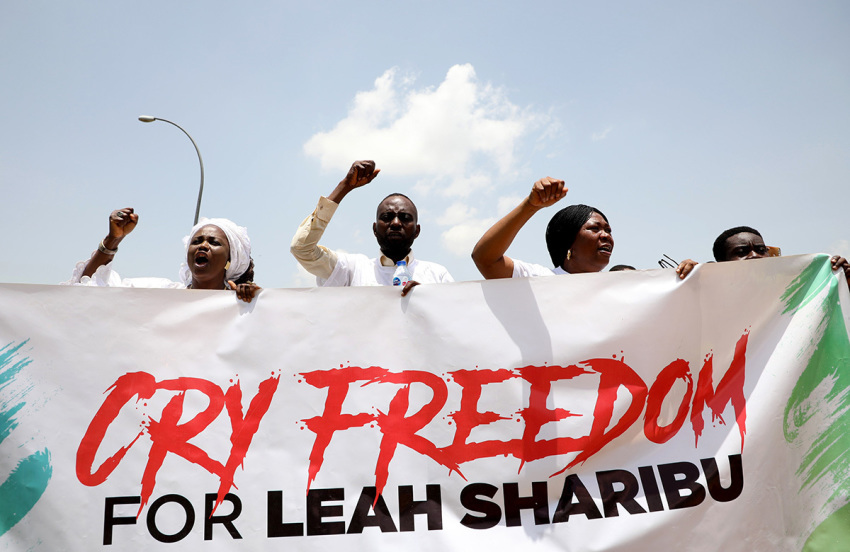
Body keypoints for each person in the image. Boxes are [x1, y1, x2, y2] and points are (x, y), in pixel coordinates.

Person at [290, 160, 453, 295]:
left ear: (417, 231)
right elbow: (302, 249)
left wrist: (427, 301)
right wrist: (345, 186)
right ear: (374, 229)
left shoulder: (437, 275)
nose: (396, 223)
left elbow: (457, 319)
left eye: (405, 218)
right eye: (387, 217)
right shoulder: (352, 270)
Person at [65, 207, 260, 302]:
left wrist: (252, 303)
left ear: (230, 260)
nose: (203, 246)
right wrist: (112, 239)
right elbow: (89, 290)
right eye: (197, 241)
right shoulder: (160, 293)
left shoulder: (238, 303)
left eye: (214, 242)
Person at [471, 177, 614, 279]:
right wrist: (530, 206)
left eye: (608, 230)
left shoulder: (618, 287)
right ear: (569, 243)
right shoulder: (539, 280)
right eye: (595, 229)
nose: (606, 235)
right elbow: (485, 259)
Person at [712, 225, 850, 287]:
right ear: (721, 262)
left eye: (761, 250)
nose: (754, 255)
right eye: (741, 252)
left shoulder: (795, 291)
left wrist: (845, 283)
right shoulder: (709, 298)